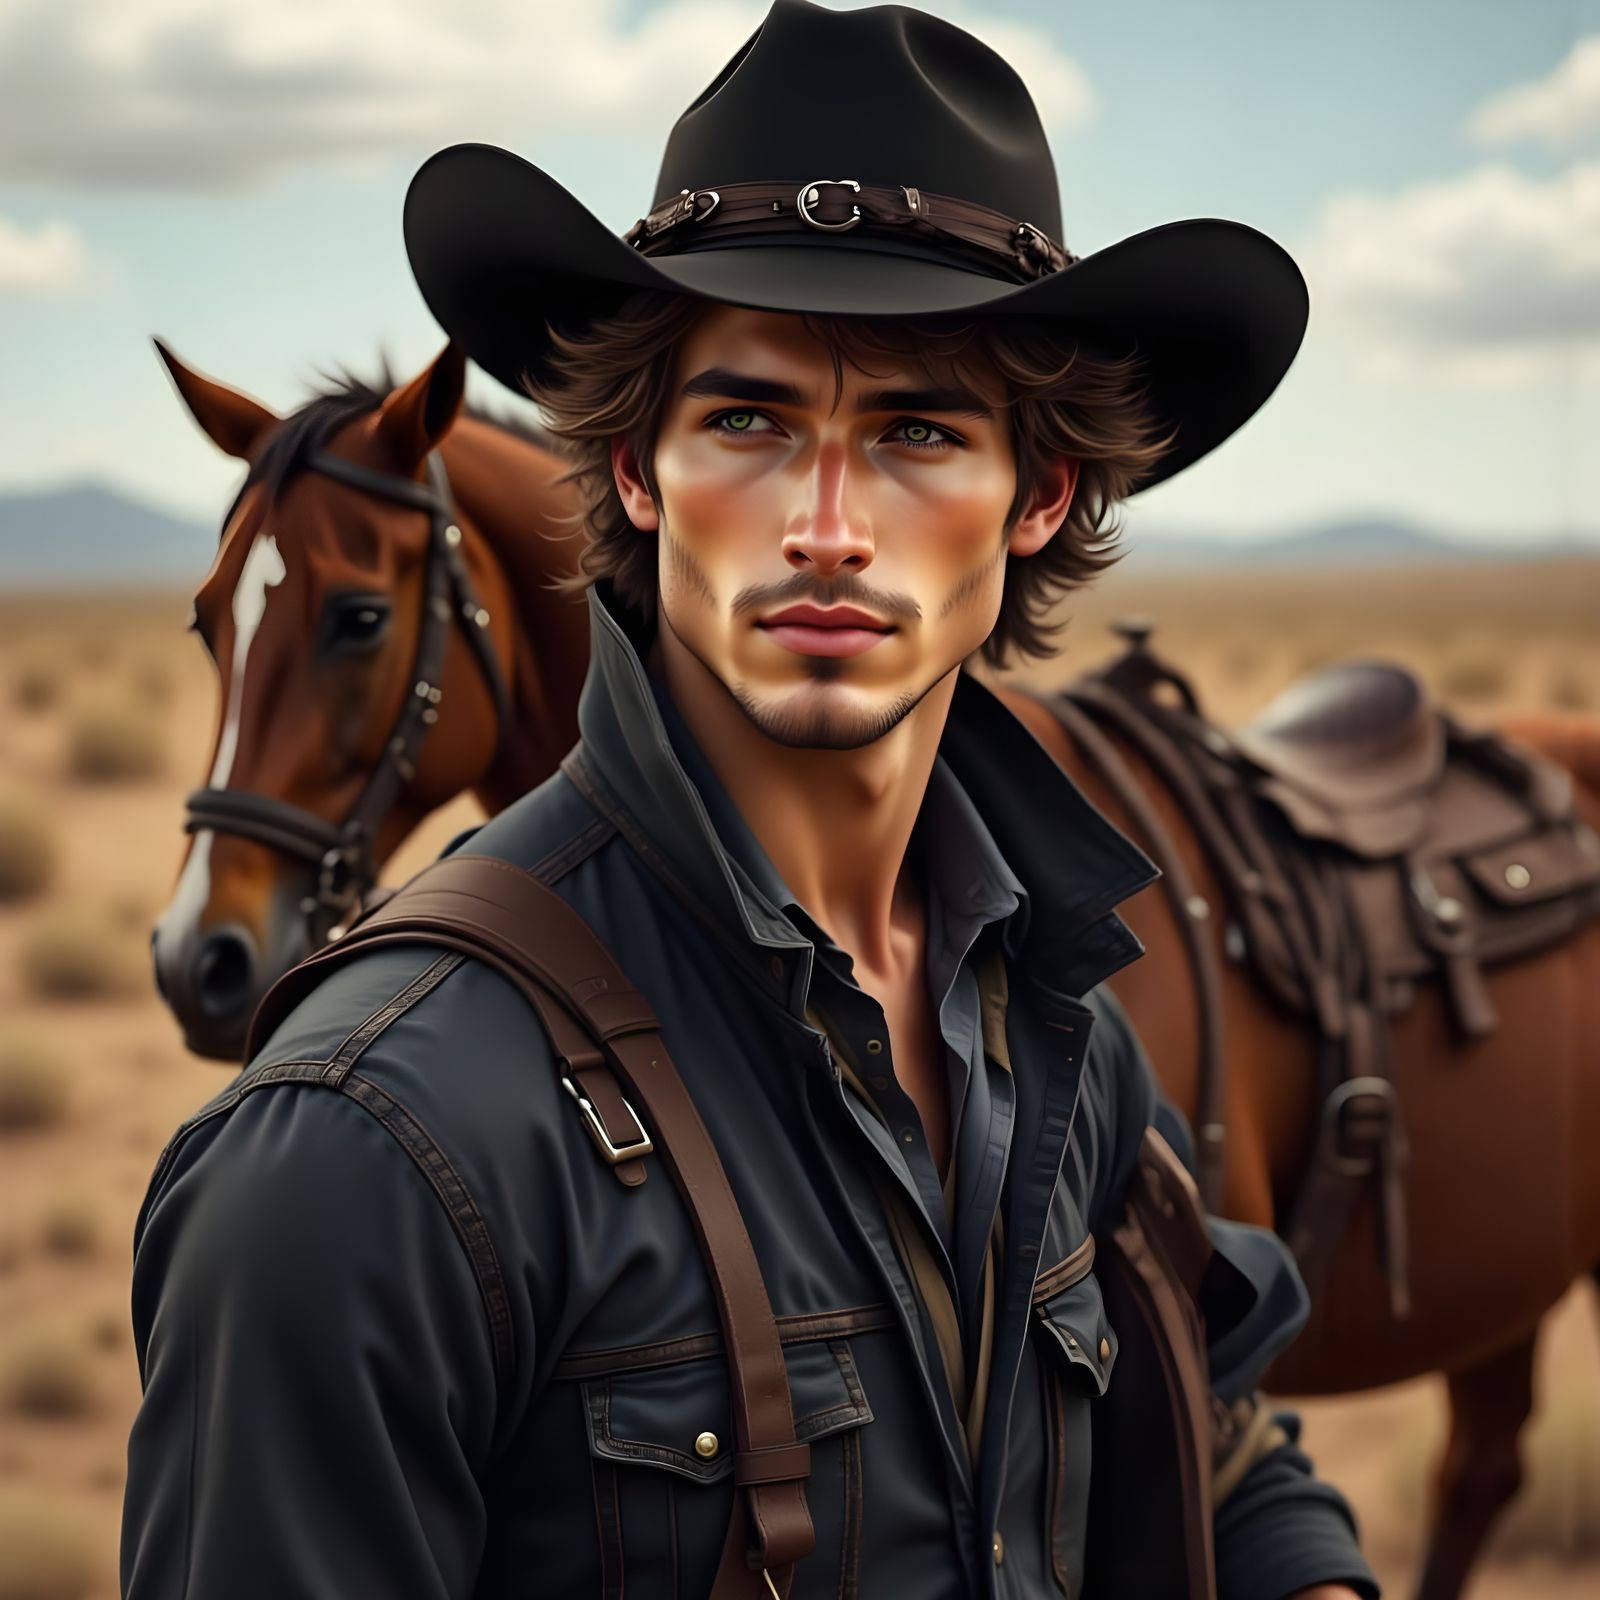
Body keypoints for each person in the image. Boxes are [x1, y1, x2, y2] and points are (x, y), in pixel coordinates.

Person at [121, 3, 1379, 1596]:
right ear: (637, 473)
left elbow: (1215, 1430)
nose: (827, 525)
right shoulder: (359, 1153)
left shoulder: (1053, 1007)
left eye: (917, 429)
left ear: (1040, 494)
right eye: (749, 421)